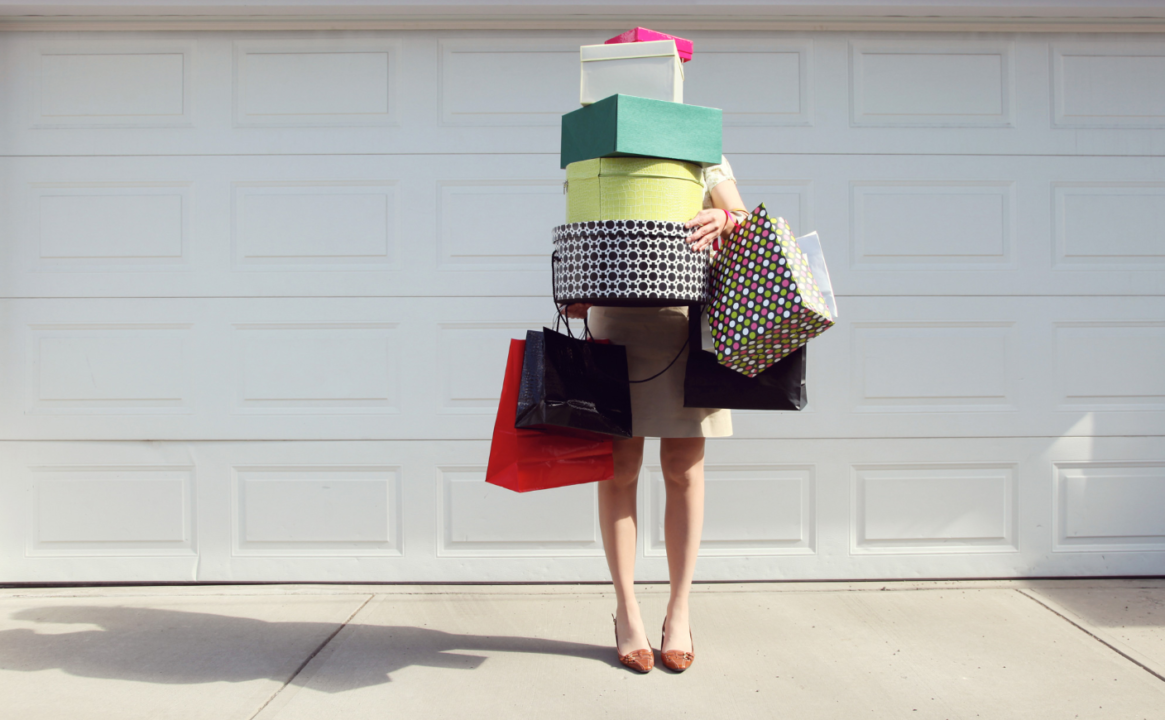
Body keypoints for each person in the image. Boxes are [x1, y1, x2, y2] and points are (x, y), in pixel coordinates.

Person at [565, 157, 748, 673]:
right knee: (619, 469)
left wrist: (726, 220)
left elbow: (740, 216)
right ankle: (626, 612)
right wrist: (579, 280)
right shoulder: (599, 150)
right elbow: (583, 224)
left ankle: (680, 610)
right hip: (617, 317)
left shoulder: (702, 148)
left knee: (684, 469)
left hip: (688, 321)